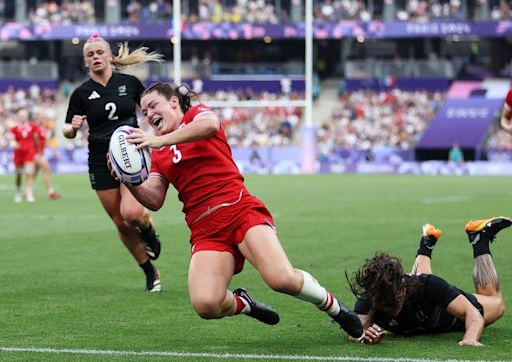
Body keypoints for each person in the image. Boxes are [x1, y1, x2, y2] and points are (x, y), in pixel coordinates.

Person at [114, 82, 364, 340]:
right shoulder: (158, 153)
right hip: (205, 229)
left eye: (153, 105)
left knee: (282, 280)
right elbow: (154, 199)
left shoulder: (195, 115)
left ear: (174, 103)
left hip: (238, 209)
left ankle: (335, 308)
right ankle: (245, 304)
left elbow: (209, 125)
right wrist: (128, 180)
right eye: (144, 111)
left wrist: (159, 141)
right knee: (205, 305)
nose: (148, 114)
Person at [62, 35, 164, 292]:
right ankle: (149, 271)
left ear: (109, 55)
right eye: (90, 54)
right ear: (86, 61)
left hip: (130, 154)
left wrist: (158, 134)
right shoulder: (81, 93)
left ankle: (149, 230)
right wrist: (72, 129)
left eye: (99, 52)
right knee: (120, 222)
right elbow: (67, 129)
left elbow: (151, 109)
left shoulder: (129, 83)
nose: (95, 57)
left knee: (132, 214)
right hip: (99, 160)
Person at [347, 216, 511, 346]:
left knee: (496, 302)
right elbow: (356, 331)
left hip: (456, 316)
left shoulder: (429, 286)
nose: (390, 310)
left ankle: (479, 240)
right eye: (384, 305)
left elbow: (473, 315)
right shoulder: (372, 297)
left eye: (393, 302)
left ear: (402, 289)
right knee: (420, 282)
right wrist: (363, 336)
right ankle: (427, 242)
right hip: (422, 294)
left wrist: (470, 338)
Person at [9, 108, 38, 203]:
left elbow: (36, 138)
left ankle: (29, 193)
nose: (22, 117)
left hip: (29, 152)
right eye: (21, 115)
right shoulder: (14, 128)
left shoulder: (32, 127)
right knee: (18, 174)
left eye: (24, 115)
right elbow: (11, 138)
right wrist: (13, 142)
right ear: (18, 117)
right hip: (18, 153)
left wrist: (37, 151)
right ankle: (18, 192)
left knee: (29, 172)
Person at [33, 111, 61, 200]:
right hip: (35, 153)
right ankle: (51, 191)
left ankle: (28, 191)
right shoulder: (34, 128)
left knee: (33, 174)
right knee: (47, 169)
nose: (42, 119)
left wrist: (55, 152)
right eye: (40, 117)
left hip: (40, 153)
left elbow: (47, 143)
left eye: (43, 117)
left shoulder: (44, 129)